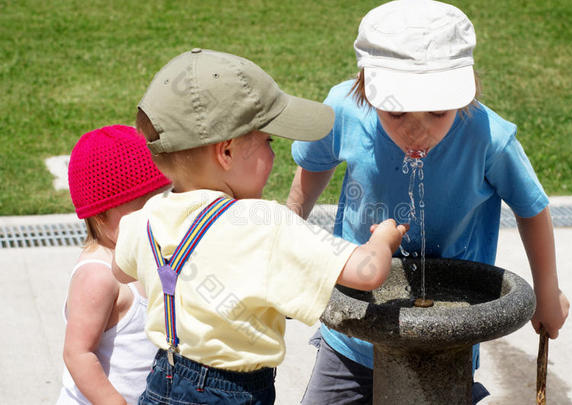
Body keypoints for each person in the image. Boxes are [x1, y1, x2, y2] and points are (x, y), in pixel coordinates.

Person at [288, 1, 570, 404]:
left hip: (446, 334)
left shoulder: (486, 137)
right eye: (397, 112)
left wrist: (547, 292)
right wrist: (287, 237)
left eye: (438, 112)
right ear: (365, 86)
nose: (416, 133)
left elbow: (531, 207)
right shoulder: (344, 111)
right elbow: (312, 169)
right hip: (354, 330)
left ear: (467, 88)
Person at [111, 48, 408, 405]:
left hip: (164, 380)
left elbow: (121, 269)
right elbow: (368, 271)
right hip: (233, 393)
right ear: (226, 153)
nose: (274, 154)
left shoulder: (144, 219)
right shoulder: (266, 224)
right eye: (267, 141)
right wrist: (384, 238)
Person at [57, 125, 172, 404]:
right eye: (141, 208)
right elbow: (78, 353)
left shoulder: (152, 251)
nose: (154, 216)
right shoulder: (98, 276)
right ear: (100, 216)